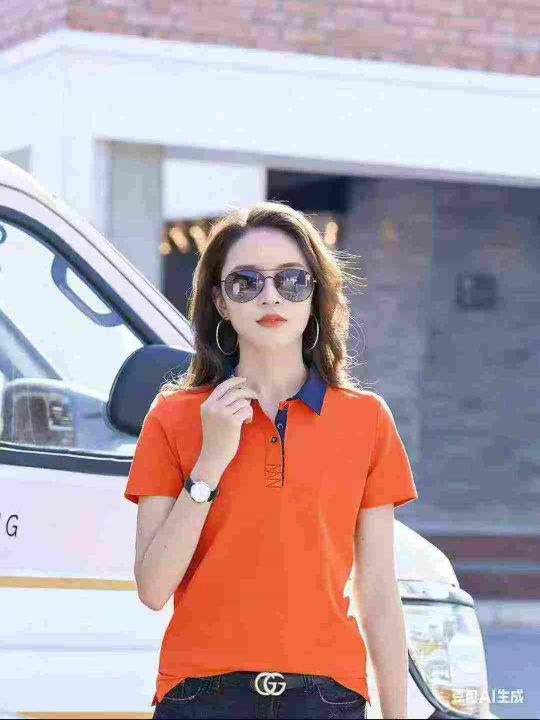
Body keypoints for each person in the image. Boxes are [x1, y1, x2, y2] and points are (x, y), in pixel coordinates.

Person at [124, 202, 418, 720]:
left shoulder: (367, 419)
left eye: (291, 280)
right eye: (246, 282)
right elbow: (153, 588)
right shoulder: (172, 417)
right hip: (201, 699)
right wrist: (210, 462)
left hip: (327, 700)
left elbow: (377, 592)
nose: (270, 296)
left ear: (316, 294)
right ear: (220, 300)